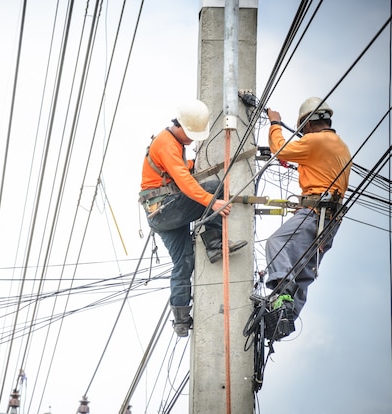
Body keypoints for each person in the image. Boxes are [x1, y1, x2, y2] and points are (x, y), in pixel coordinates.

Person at [139, 99, 247, 337]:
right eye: (190, 134)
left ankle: (180, 319)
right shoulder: (167, 144)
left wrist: (190, 164)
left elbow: (176, 170)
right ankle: (214, 243)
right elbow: (185, 182)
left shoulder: (171, 143)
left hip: (159, 214)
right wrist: (212, 201)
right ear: (179, 126)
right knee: (215, 187)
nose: (192, 139)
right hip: (166, 209)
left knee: (184, 262)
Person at [265, 97, 351, 318]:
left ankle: (282, 294)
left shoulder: (315, 141)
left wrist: (275, 123)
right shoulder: (340, 145)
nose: (303, 134)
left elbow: (279, 149)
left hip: (314, 213)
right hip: (331, 220)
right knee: (304, 270)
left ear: (308, 124)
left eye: (303, 130)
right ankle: (285, 319)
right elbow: (317, 167)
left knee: (278, 243)